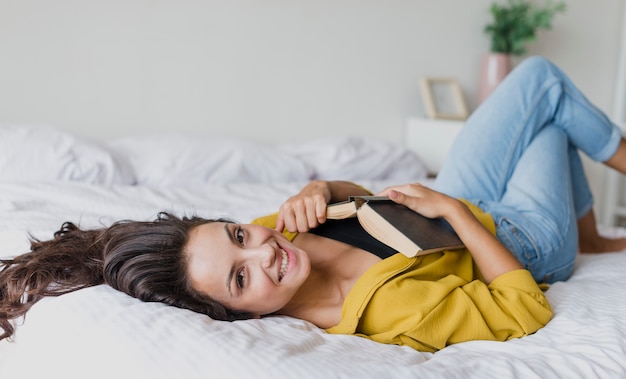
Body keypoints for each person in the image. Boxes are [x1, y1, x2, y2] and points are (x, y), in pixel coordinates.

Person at [2, 56, 626, 351]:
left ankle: (597, 236)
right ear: (234, 316)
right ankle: (582, 242)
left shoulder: (281, 235)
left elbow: (373, 206)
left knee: (539, 84)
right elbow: (523, 310)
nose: (267, 250)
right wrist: (457, 215)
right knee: (547, 106)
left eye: (238, 234)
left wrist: (325, 190)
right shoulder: (384, 312)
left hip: (455, 194)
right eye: (241, 278)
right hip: (522, 237)